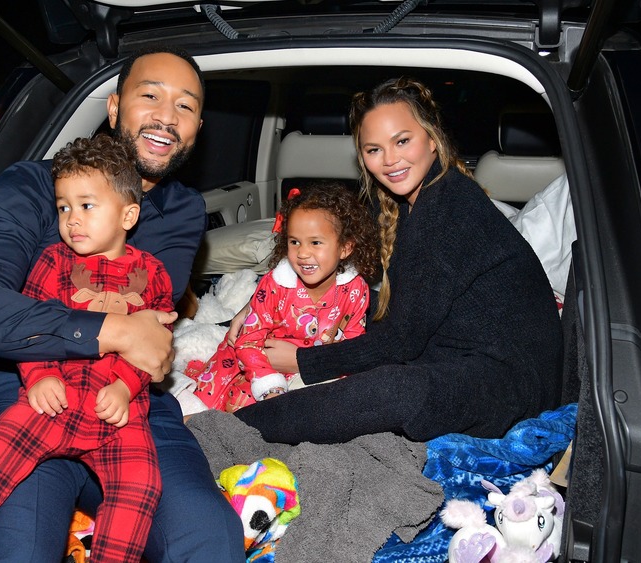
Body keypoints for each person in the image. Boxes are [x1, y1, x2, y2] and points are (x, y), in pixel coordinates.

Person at [0, 45, 246, 562]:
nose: (166, 118)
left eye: (186, 107)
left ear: (196, 127)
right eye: (150, 96)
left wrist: (131, 337)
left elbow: (156, 319)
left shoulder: (183, 210)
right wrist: (114, 331)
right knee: (15, 547)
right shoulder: (32, 186)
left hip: (130, 400)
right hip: (31, 386)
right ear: (113, 108)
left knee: (208, 538)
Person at [232, 77, 563, 445]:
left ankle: (228, 431)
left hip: (512, 384)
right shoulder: (403, 201)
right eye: (374, 149)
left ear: (432, 139)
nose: (390, 160)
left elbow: (403, 339)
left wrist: (303, 361)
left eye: (402, 141)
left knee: (396, 389)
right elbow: (335, 262)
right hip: (458, 349)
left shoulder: (451, 209)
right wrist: (257, 304)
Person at [0, 135, 171, 562]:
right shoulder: (53, 262)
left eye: (87, 206)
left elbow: (155, 343)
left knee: (141, 485)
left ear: (128, 214)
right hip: (53, 400)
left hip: (117, 411)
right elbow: (32, 326)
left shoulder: (153, 273)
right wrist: (39, 375)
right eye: (63, 207)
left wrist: (127, 388)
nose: (72, 219)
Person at [187, 184, 379, 412]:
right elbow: (248, 340)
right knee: (226, 406)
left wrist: (341, 378)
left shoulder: (355, 289)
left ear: (345, 248)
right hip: (257, 360)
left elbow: (353, 342)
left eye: (315, 242)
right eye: (294, 241)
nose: (303, 253)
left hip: (311, 366)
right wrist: (268, 384)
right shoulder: (275, 285)